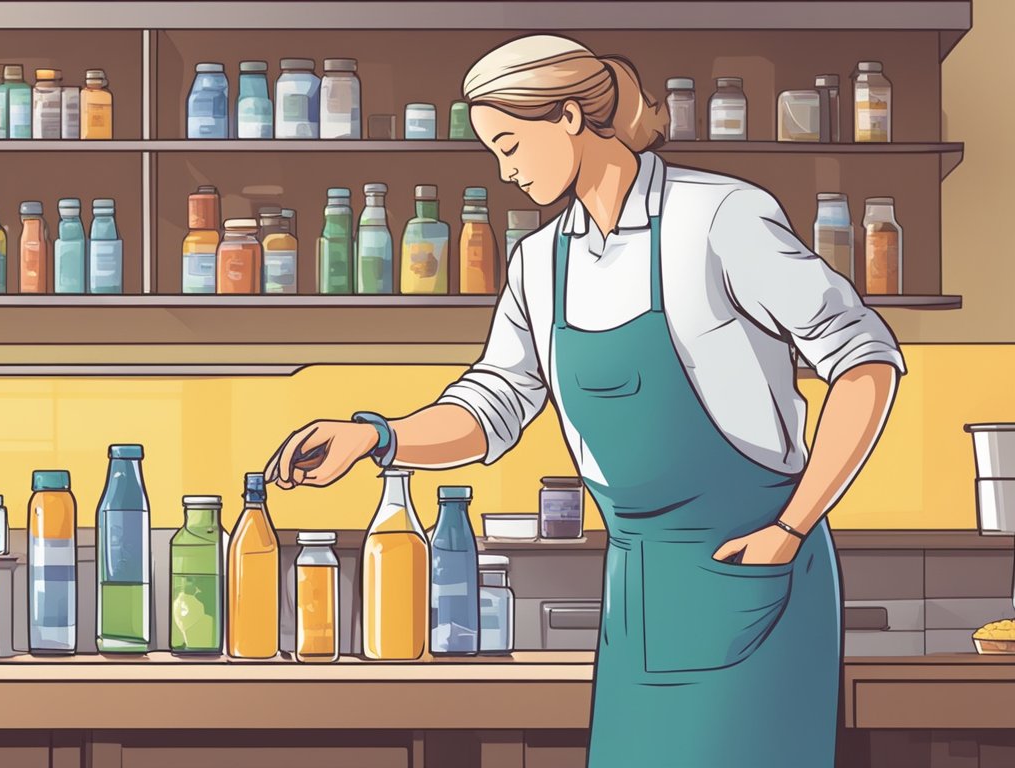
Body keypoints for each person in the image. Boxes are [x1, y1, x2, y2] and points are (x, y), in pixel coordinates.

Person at [264, 35, 903, 767]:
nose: (505, 172)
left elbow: (864, 359)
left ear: (569, 115)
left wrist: (790, 528)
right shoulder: (540, 261)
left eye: (509, 144)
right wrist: (374, 437)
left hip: (751, 572)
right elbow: (494, 401)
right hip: (636, 594)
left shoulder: (719, 218)